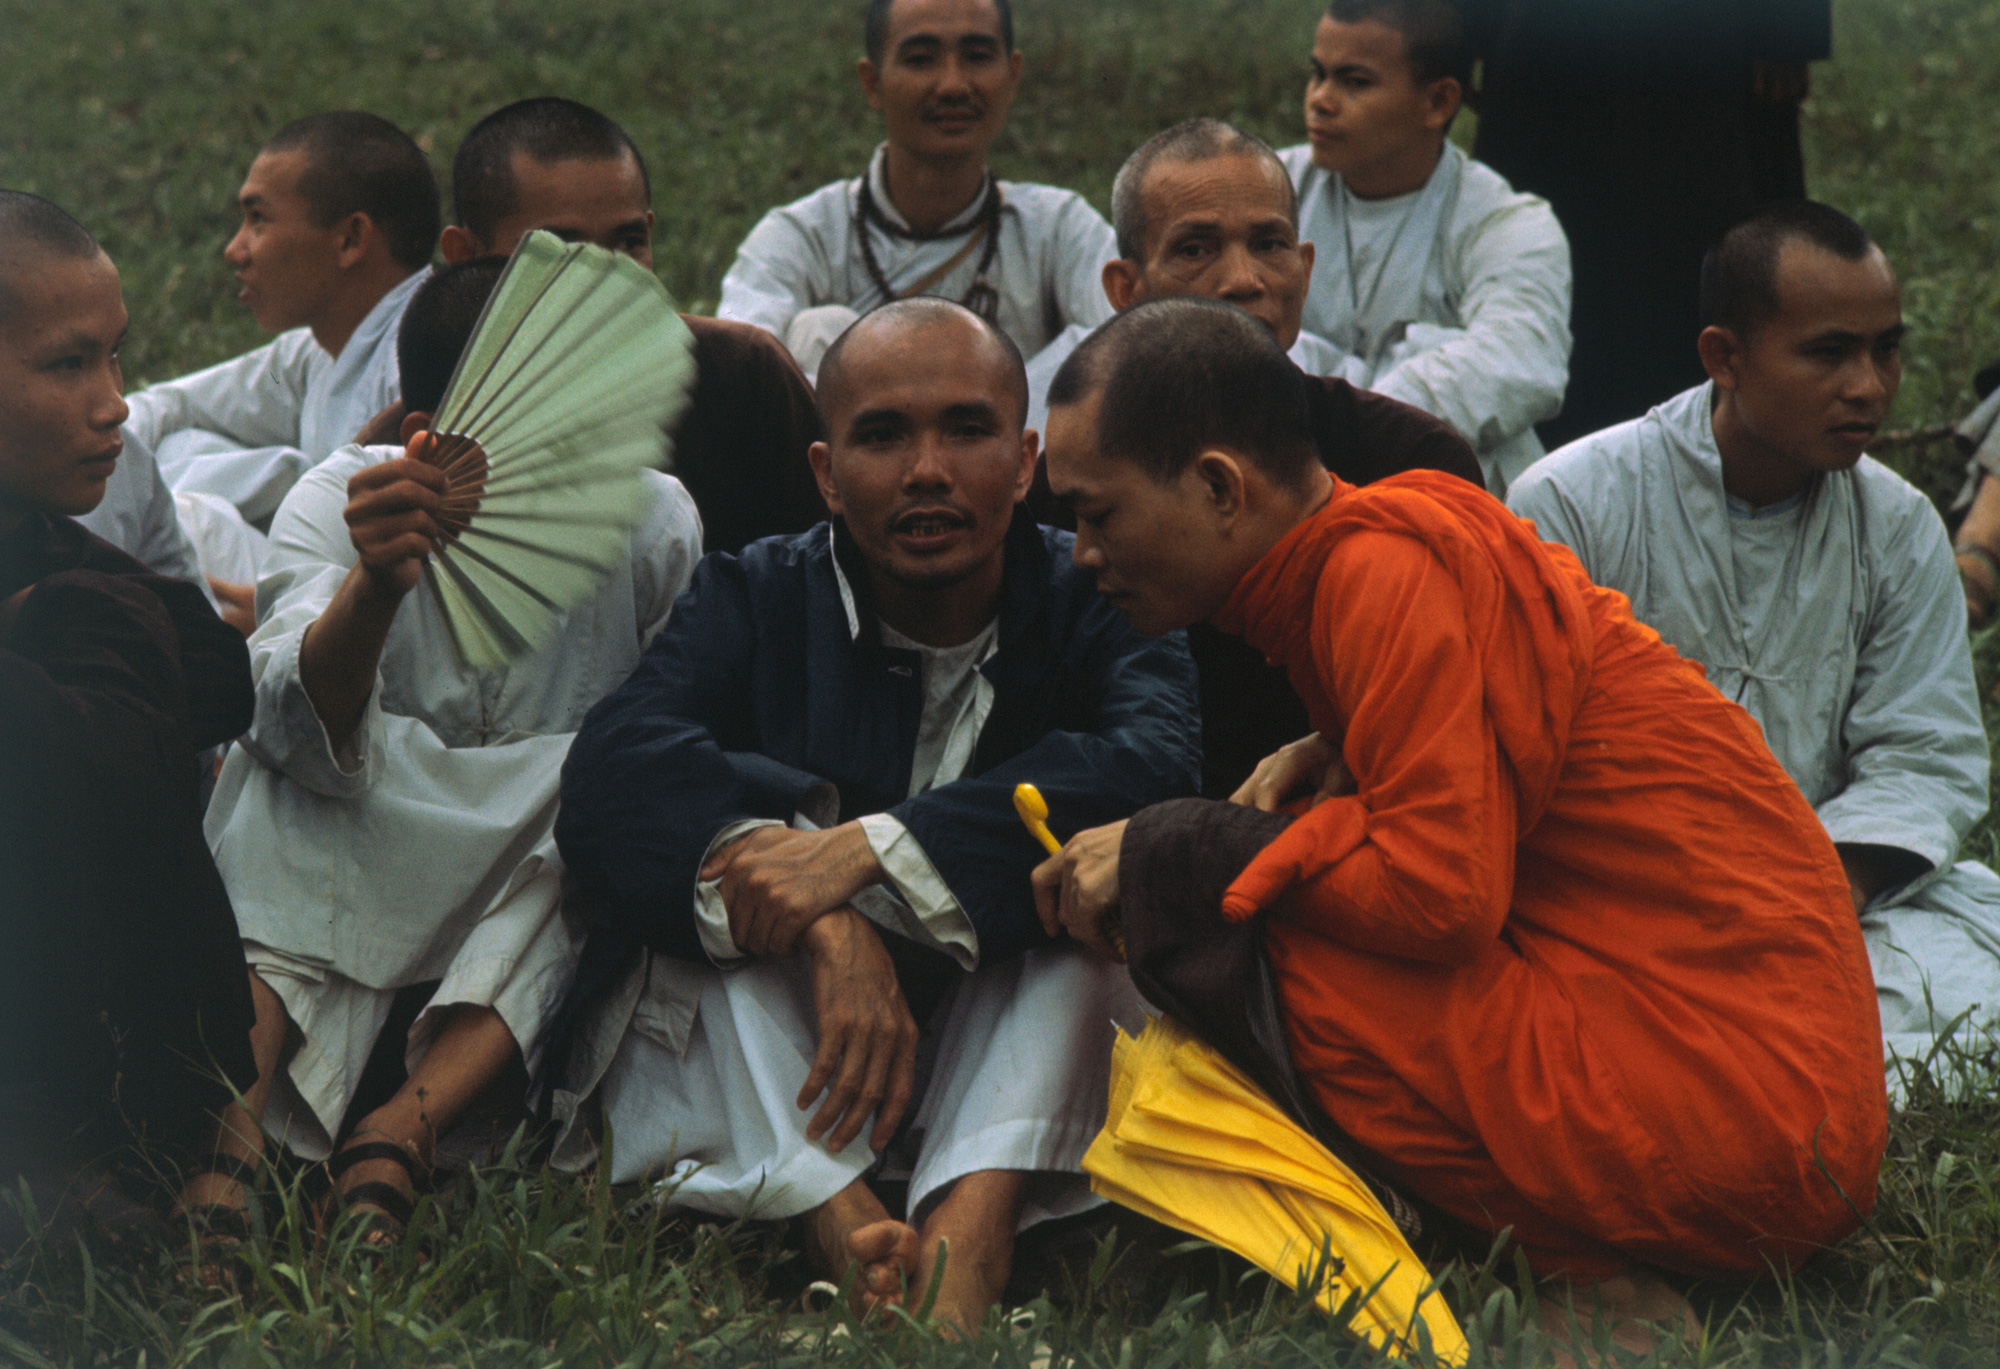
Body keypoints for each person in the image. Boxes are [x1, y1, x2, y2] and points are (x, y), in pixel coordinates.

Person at [1035, 296, 1885, 1347]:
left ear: (1217, 486)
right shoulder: (1373, 552)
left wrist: (1177, 845)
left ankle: (1589, 1276)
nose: (1077, 554)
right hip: (1786, 1113)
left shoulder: (1378, 574)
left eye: (1096, 514)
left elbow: (1437, 898)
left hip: (1742, 1118)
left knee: (1249, 934)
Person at [551, 299, 1199, 1334]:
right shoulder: (753, 589)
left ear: (1025, 459)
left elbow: (1150, 761)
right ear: (824, 474)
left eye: (966, 430)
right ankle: (836, 1213)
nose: (927, 470)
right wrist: (822, 918)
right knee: (697, 933)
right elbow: (610, 780)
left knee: (1084, 929)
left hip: (993, 1023)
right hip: (800, 1023)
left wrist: (867, 851)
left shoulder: (1095, 594)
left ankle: (967, 1228)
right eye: (883, 435)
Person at [195, 258, 703, 1242]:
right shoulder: (337, 498)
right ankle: (228, 1142)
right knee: (267, 777)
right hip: (359, 826)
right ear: (430, 434)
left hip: (535, 850)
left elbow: (664, 730)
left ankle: (403, 1129)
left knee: (606, 794)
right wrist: (376, 586)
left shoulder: (650, 518)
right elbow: (293, 715)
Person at [1509, 201, 2000, 1086]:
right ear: (1723, 357)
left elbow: (1924, 754)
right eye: (1828, 352)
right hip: (1620, 897)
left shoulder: (1898, 526)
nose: (1870, 385)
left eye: (1886, 348)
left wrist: (1817, 890)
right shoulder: (1570, 502)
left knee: (1966, 986)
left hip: (1823, 894)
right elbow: (1524, 746)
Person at [1026, 118, 1485, 796]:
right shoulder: (1073, 492)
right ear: (1125, 289)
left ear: (1303, 269)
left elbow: (1450, 766)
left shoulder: (1412, 462)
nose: (1243, 280)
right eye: (1195, 248)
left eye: (1268, 244)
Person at [0, 191, 256, 1247]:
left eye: (113, 359)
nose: (115, 404)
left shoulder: (90, 597)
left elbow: (91, 766)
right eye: (69, 366)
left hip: (76, 1085)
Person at [439, 97, 826, 554]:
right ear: (465, 256)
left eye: (629, 243)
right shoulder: (432, 423)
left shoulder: (742, 377)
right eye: (560, 251)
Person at [1468, 0, 1831, 448]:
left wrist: (1787, 27)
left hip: (1708, 40)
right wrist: (1461, 30)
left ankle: (1713, 452)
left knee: (1704, 243)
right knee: (1548, 229)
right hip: (1543, 35)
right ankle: (1560, 464)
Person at [716, 0, 1116, 382]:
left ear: (1012, 75)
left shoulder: (1059, 228)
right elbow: (735, 366)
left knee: (1105, 348)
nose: (953, 85)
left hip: (1012, 447)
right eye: (921, 59)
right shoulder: (802, 236)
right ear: (872, 83)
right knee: (816, 332)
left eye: (977, 56)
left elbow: (1131, 351)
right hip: (845, 451)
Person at [1281, 0, 1571, 495]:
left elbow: (1523, 361)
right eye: (1318, 74)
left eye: (1354, 81)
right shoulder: (1270, 187)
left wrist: (1332, 403)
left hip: (1442, 493)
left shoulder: (1508, 220)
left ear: (1437, 102)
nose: (1320, 100)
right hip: (1293, 481)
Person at [122, 112, 440, 533]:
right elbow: (173, 405)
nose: (234, 250)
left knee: (190, 524)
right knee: (177, 445)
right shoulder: (317, 351)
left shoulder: (424, 356)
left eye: (258, 219)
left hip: (353, 592)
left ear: (350, 240)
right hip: (315, 570)